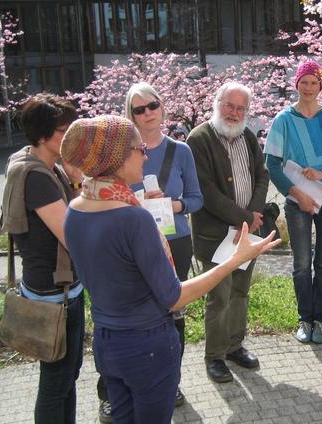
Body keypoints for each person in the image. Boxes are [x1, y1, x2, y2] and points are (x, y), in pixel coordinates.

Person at [61, 115, 280, 423]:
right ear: (117, 158)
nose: (145, 154)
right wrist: (233, 260)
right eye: (138, 148)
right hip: (147, 344)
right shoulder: (133, 219)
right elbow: (173, 297)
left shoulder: (76, 208)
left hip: (107, 341)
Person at [90, 82, 204, 420]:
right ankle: (111, 391)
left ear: (162, 106)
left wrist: (173, 204)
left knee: (173, 313)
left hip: (176, 241)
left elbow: (198, 199)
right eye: (138, 109)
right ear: (130, 114)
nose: (147, 113)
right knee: (125, 316)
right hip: (129, 245)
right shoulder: (118, 153)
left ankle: (171, 380)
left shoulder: (181, 151)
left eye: (151, 105)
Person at [0, 93, 83, 423]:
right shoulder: (37, 178)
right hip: (54, 296)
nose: (70, 138)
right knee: (56, 383)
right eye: (65, 131)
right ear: (43, 135)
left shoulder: (51, 168)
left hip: (63, 290)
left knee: (68, 377)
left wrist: (74, 176)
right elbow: (73, 235)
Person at [265, 60, 322, 344]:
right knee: (302, 263)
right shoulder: (284, 120)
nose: (308, 87)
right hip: (297, 200)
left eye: (313, 82)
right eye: (303, 81)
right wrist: (299, 194)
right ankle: (305, 319)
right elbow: (273, 164)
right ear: (296, 84)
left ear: (321, 86)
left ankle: (320, 319)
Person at [186, 82, 269, 383]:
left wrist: (254, 216)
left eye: (241, 108)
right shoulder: (199, 139)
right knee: (219, 297)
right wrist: (245, 218)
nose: (234, 113)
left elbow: (262, 175)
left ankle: (235, 345)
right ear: (216, 102)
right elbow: (206, 191)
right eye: (229, 105)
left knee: (240, 291)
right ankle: (215, 356)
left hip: (248, 232)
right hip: (218, 234)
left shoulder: (247, 136)